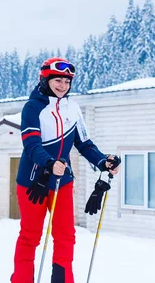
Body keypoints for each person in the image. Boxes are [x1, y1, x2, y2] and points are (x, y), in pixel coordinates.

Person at [10, 57, 121, 283]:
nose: (63, 86)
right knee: (30, 236)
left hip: (62, 181)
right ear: (45, 80)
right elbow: (31, 144)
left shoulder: (73, 107)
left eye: (67, 81)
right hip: (34, 181)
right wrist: (48, 163)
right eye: (57, 80)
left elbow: (84, 143)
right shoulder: (33, 107)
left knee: (66, 236)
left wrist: (103, 161)